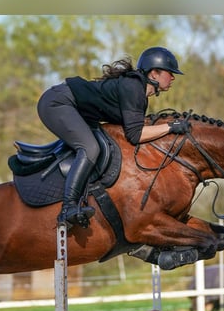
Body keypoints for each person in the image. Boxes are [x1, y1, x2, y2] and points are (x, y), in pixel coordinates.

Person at [37, 46, 190, 228]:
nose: (173, 77)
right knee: (90, 148)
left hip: (72, 107)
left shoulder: (138, 90)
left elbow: (131, 131)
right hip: (57, 103)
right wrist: (171, 127)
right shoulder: (134, 87)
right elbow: (136, 135)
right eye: (170, 72)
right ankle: (68, 208)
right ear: (154, 74)